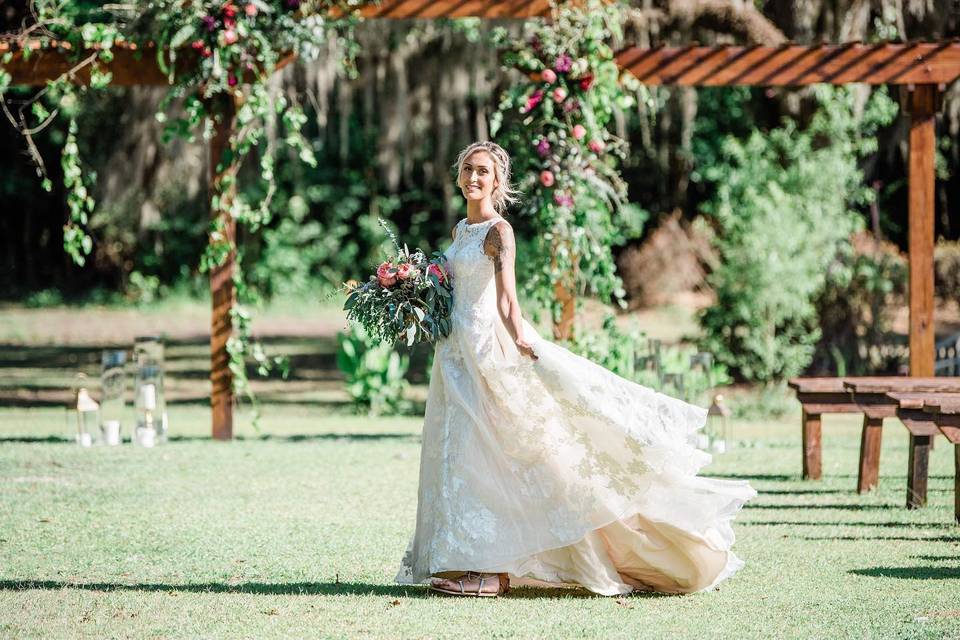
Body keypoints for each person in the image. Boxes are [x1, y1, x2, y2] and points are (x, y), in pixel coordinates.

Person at [394, 140, 756, 597]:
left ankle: (492, 572)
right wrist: (410, 292)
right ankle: (469, 559)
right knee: (463, 453)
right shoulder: (460, 229)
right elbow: (449, 289)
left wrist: (521, 338)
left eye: (484, 171)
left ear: (498, 181)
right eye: (468, 169)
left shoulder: (499, 232)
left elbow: (507, 298)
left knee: (503, 452)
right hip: (454, 354)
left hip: (488, 353)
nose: (474, 178)